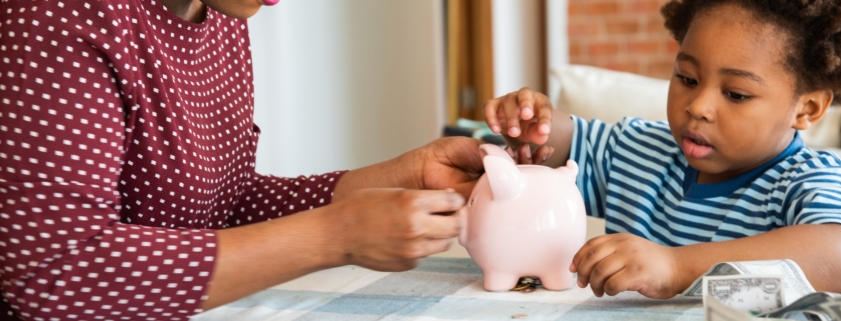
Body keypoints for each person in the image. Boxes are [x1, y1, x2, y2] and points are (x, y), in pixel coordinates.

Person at [0, 0, 485, 320]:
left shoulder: (220, 18)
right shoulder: (57, 15)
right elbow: (53, 273)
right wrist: (336, 236)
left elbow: (219, 206)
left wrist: (400, 177)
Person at [484, 0, 841, 299]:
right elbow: (560, 146)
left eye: (736, 94)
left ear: (807, 108)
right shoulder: (638, 150)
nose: (698, 106)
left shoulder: (807, 179)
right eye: (687, 78)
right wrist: (531, 124)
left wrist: (676, 267)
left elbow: (837, 255)